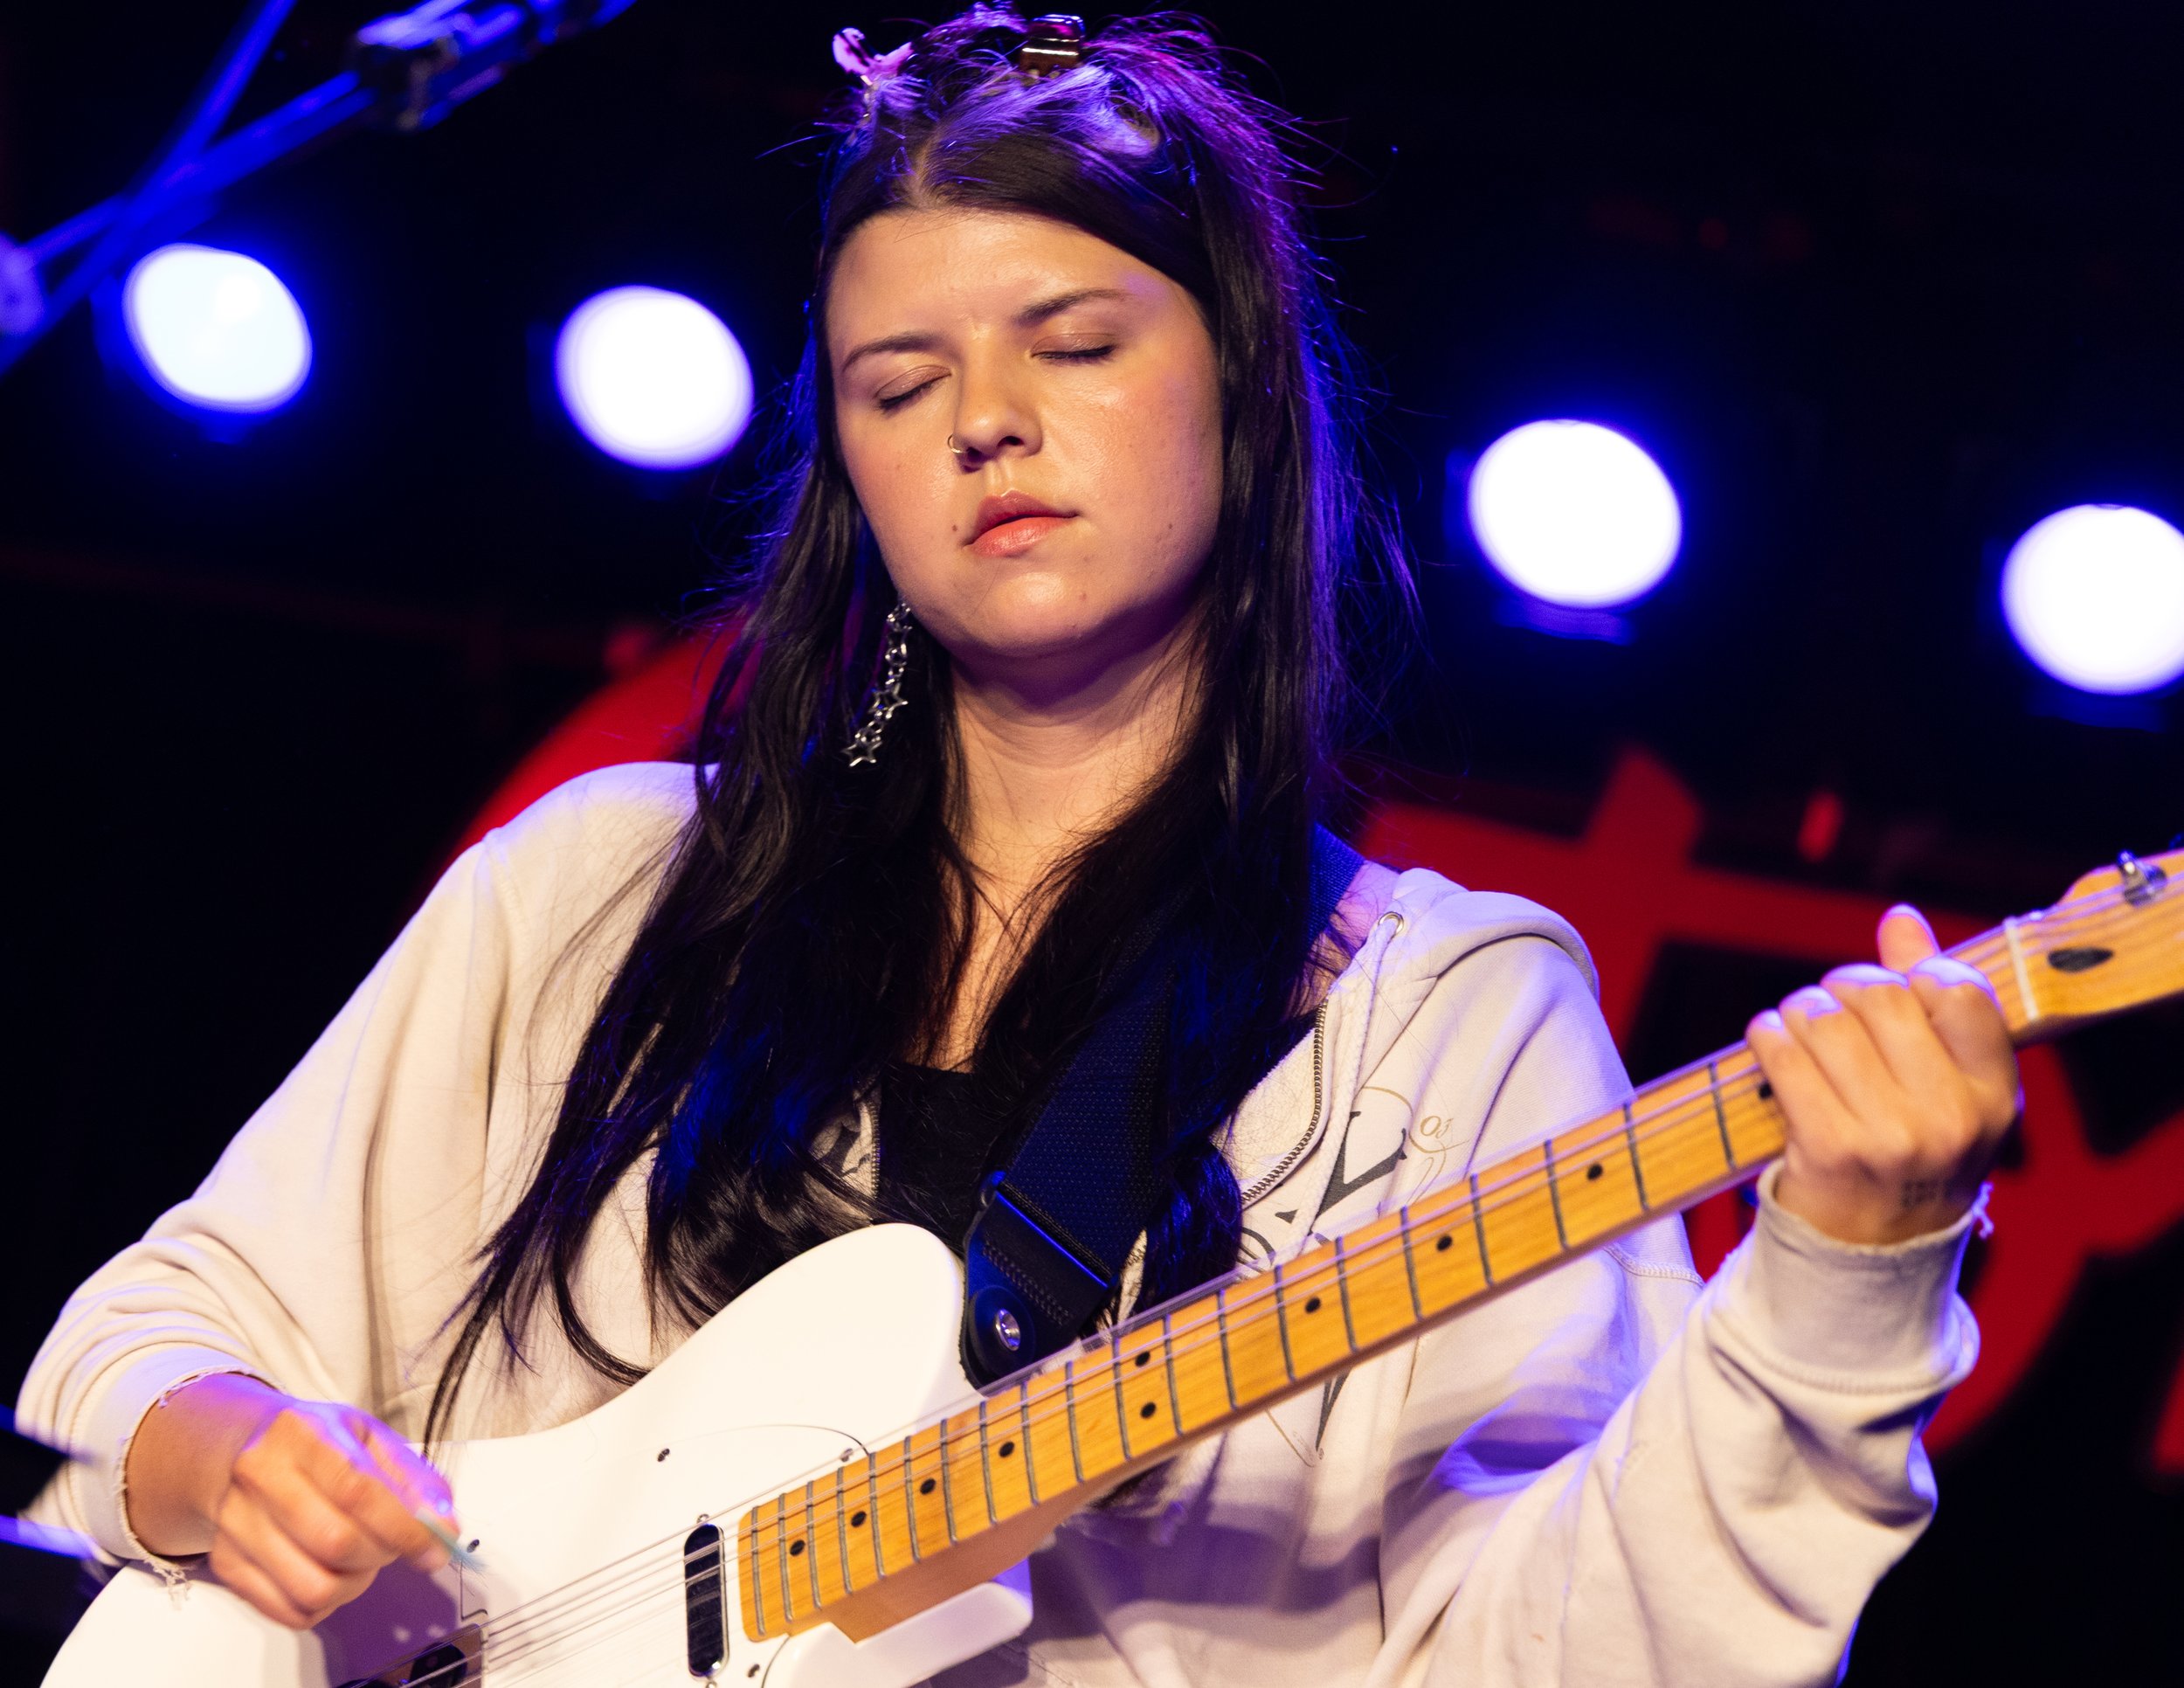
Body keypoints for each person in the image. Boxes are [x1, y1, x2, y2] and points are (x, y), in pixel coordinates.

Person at [20, 10, 2020, 1685]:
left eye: (1070, 346)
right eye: (903, 383)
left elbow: (1575, 1647)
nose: (985, 421)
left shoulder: (1440, 1018)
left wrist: (1845, 1270)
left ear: (1241, 403)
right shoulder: (609, 888)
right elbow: (144, 1338)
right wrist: (235, 1456)